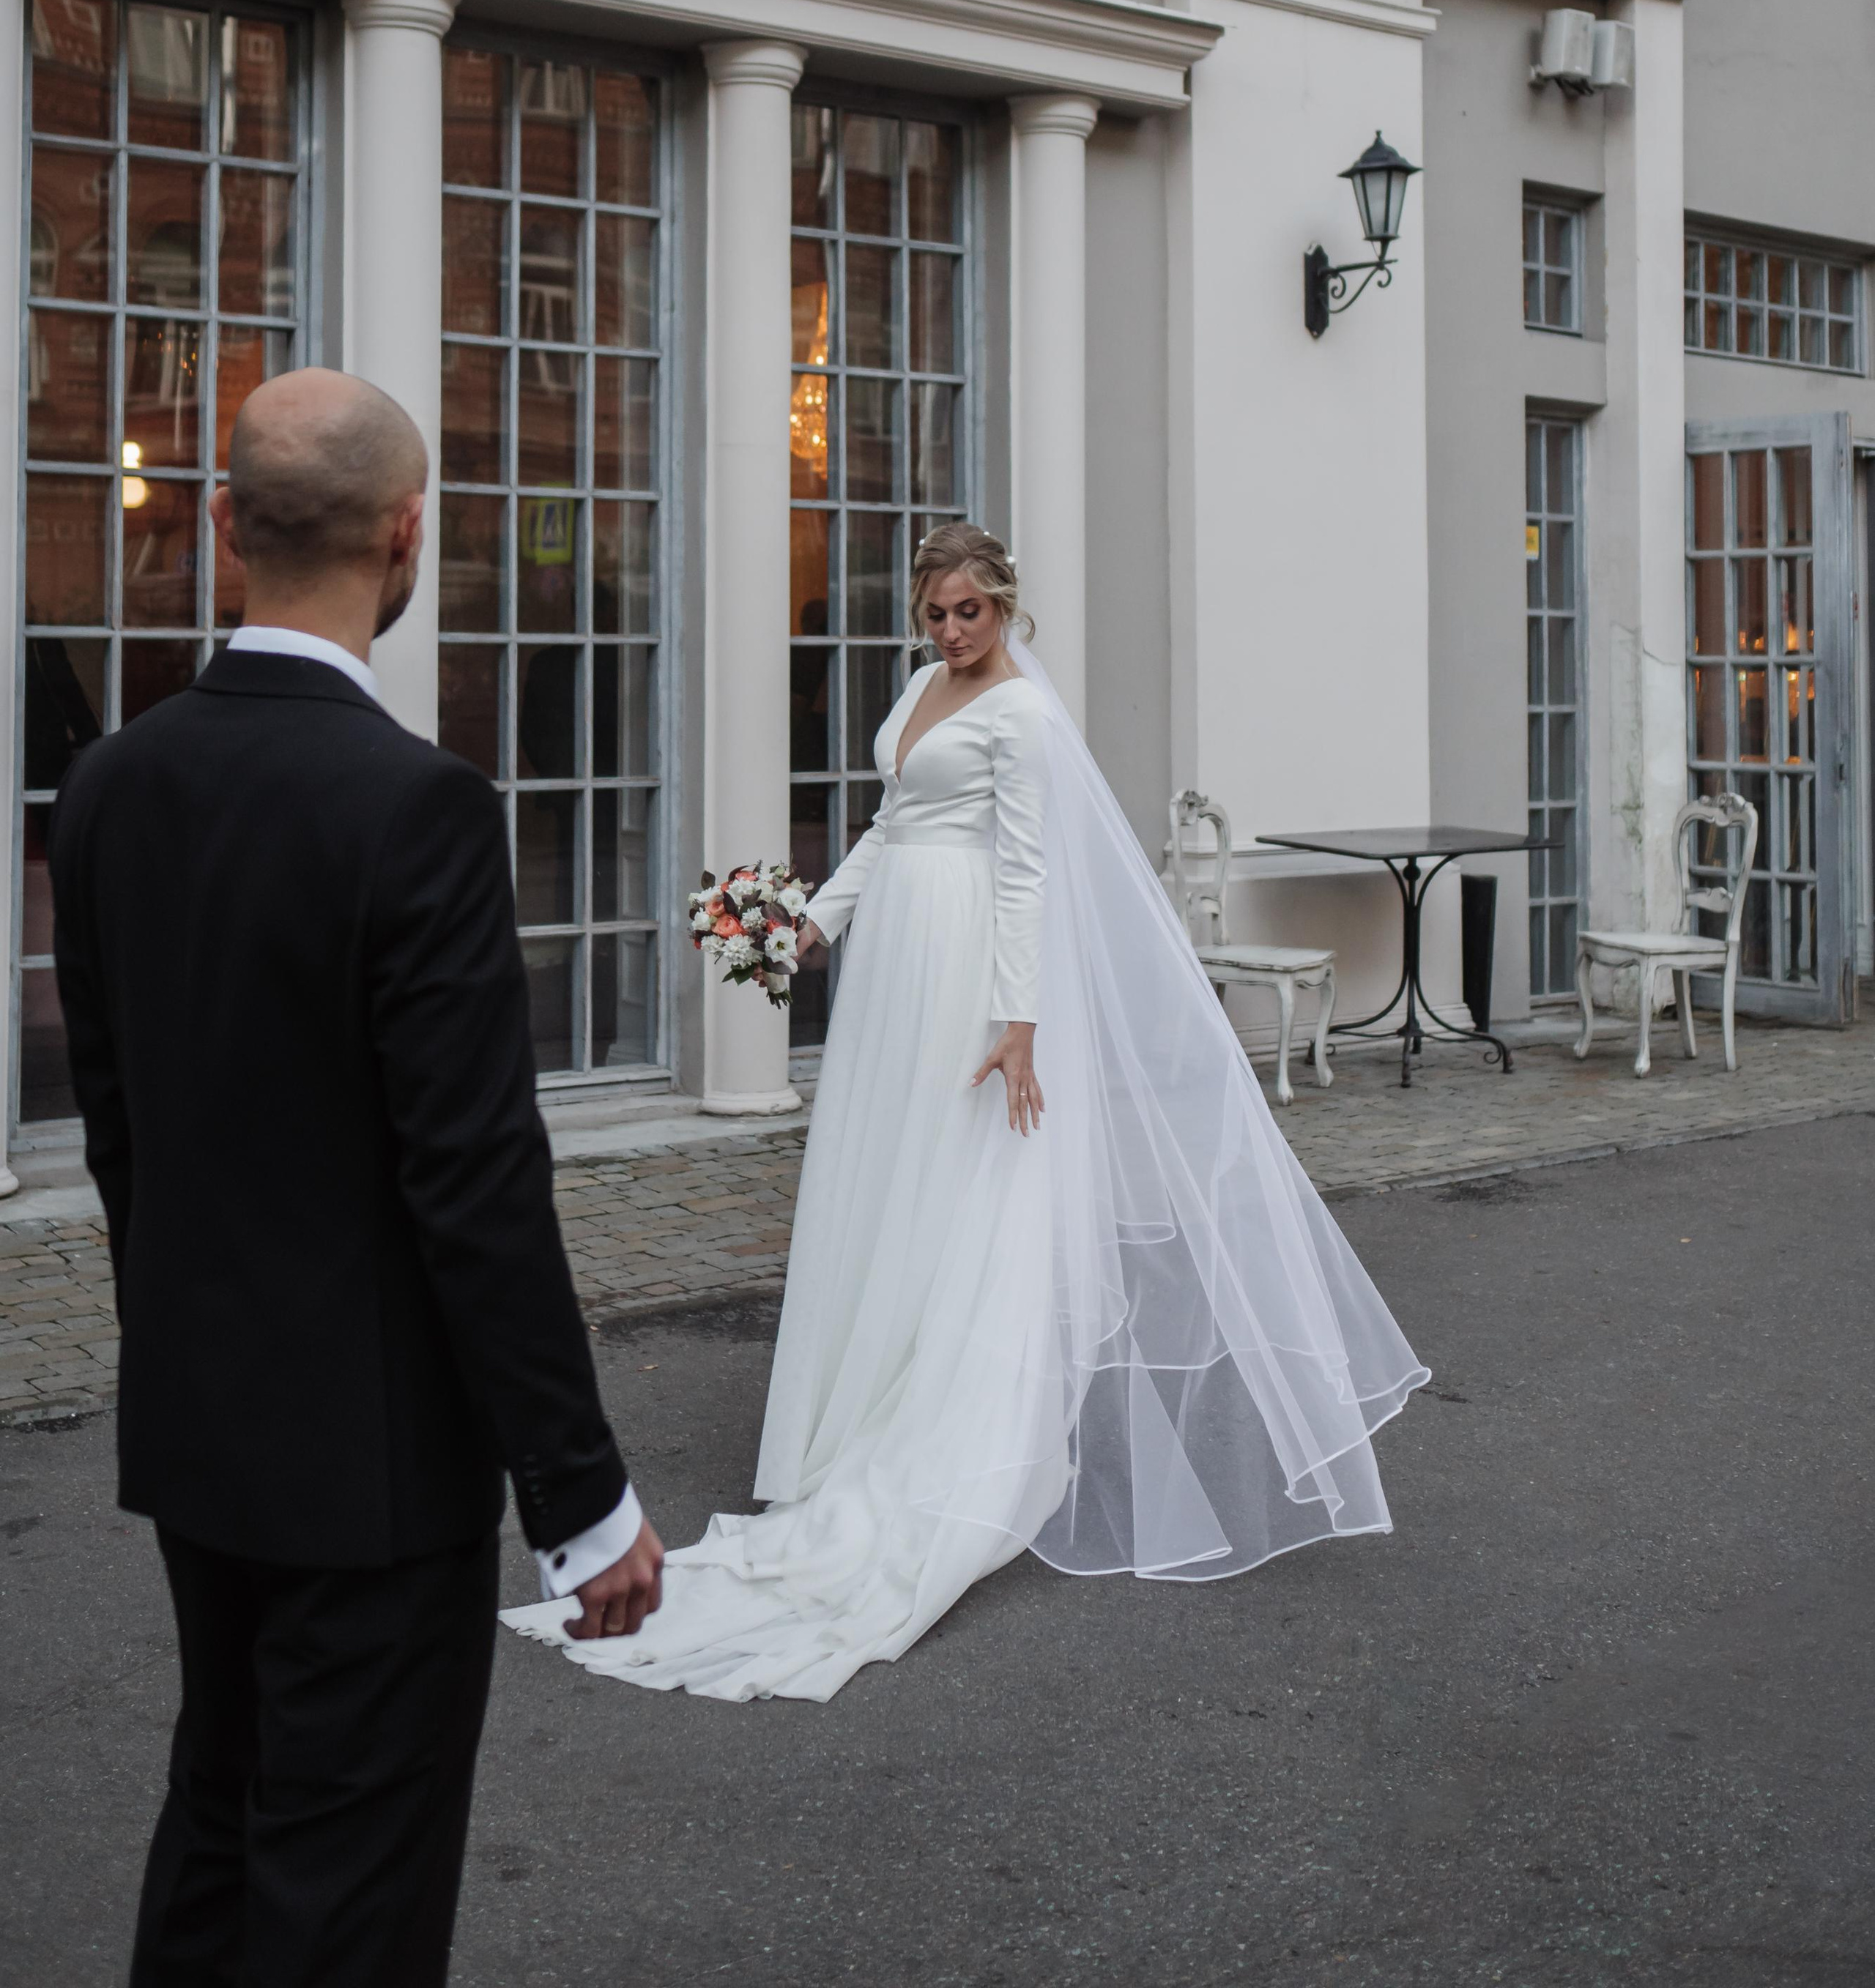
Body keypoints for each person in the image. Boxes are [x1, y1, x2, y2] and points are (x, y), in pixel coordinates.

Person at [506, 523, 1427, 1705]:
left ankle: (948, 1433)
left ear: (1006, 609)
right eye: (935, 615)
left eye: (969, 614)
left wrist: (1019, 1023)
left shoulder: (1026, 718)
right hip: (897, 964)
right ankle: (857, 1410)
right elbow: (891, 830)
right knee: (886, 1184)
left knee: (965, 1188)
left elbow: (1027, 873)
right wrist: (810, 929)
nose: (950, 632)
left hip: (968, 978)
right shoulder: (924, 691)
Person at [51, 368, 663, 1987]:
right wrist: (581, 1496)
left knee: (223, 1811)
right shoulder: (420, 809)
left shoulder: (109, 786)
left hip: (199, 1423)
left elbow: (120, 1132)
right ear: (407, 538)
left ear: (230, 528)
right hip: (374, 1465)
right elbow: (473, 1182)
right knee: (348, 1887)